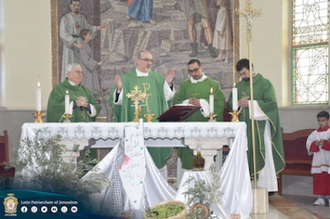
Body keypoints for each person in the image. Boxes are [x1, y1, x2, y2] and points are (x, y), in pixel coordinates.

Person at [109, 50, 175, 171]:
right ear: (137, 61)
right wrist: (119, 90)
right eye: (146, 60)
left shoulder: (158, 78)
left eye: (151, 60)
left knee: (153, 160)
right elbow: (118, 103)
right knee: (134, 162)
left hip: (153, 125)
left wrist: (168, 84)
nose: (149, 63)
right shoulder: (126, 79)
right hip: (132, 126)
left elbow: (166, 98)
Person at [228, 58, 285, 193]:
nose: (243, 76)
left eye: (245, 73)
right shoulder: (239, 86)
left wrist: (252, 104)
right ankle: (247, 185)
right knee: (246, 153)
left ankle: (267, 187)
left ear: (252, 68)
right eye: (241, 74)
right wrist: (238, 103)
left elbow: (271, 104)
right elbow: (231, 103)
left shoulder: (265, 84)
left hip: (260, 126)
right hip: (244, 126)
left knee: (262, 151)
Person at [173, 59, 225, 174]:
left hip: (206, 127)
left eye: (196, 70)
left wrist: (202, 102)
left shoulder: (213, 84)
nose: (193, 73)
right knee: (188, 156)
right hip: (188, 128)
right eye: (190, 71)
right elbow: (176, 101)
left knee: (207, 157)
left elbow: (219, 103)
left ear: (202, 67)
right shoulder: (185, 85)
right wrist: (187, 101)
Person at [59, 0, 105, 82]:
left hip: (81, 44)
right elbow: (63, 34)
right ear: (70, 5)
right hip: (70, 47)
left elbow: (89, 28)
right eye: (74, 5)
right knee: (71, 65)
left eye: (78, 5)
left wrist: (98, 28)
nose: (76, 7)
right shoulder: (65, 19)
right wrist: (76, 44)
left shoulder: (81, 18)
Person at [306, 110, 330, 206]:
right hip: (318, 159)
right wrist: (314, 144)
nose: (321, 123)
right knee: (319, 178)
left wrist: (325, 143)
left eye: (323, 120)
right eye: (319, 121)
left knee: (328, 178)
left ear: (328, 120)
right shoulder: (314, 133)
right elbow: (308, 145)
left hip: (328, 159)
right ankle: (320, 198)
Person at [79, 29, 104, 95]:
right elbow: (85, 59)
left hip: (88, 69)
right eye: (89, 34)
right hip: (86, 70)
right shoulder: (83, 45)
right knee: (87, 85)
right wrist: (97, 63)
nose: (91, 35)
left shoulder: (86, 45)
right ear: (84, 36)